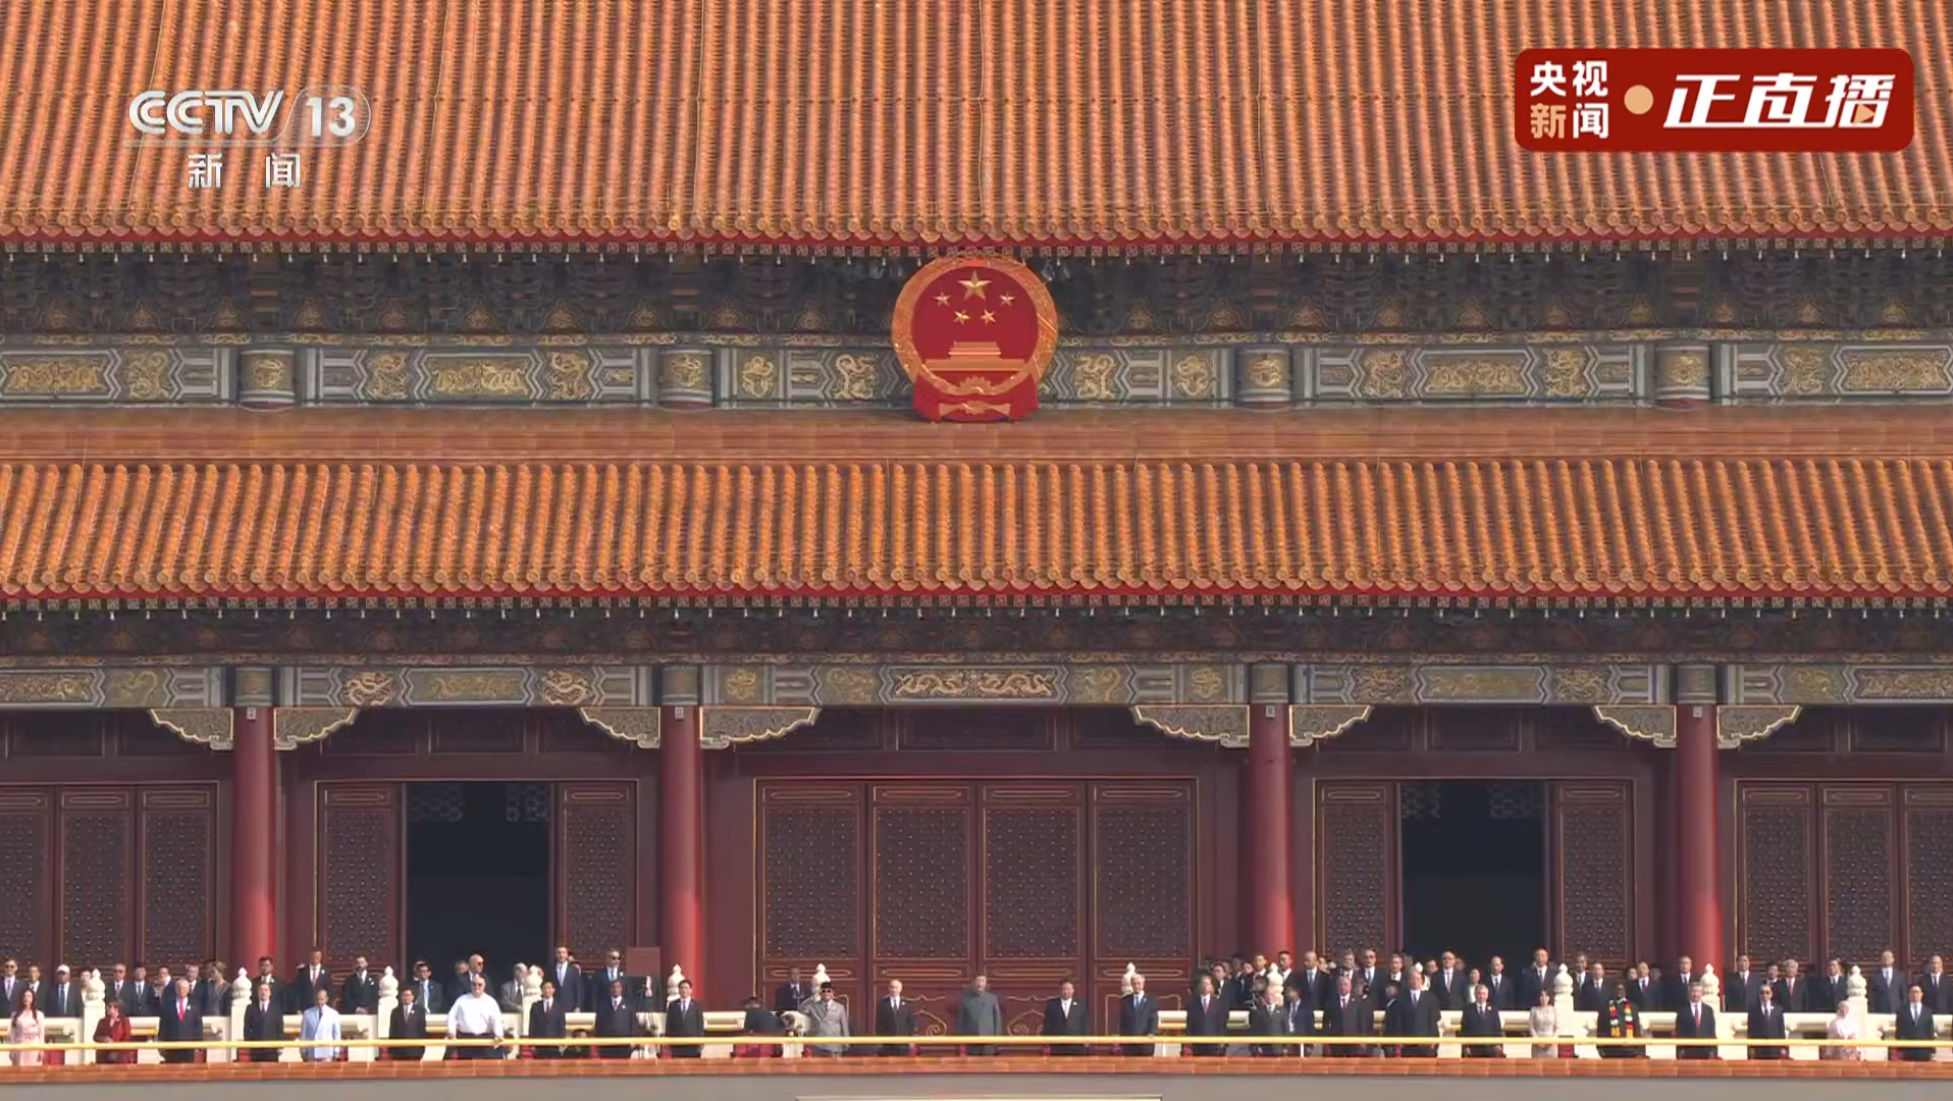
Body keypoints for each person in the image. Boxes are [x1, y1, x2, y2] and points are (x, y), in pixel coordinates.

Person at [445, 973, 503, 1059]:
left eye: (479, 985)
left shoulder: (491, 1002)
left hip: (485, 1041)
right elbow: (451, 1017)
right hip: (465, 1041)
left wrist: (498, 1034)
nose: (476, 987)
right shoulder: (461, 1000)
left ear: (484, 986)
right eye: (474, 984)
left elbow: (496, 1020)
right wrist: (452, 1032)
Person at [1387, 971, 1440, 1057]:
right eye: (1412, 979)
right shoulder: (1400, 999)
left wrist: (1434, 1039)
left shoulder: (1430, 999)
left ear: (1422, 981)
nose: (1415, 981)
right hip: (1407, 1043)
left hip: (1425, 1043)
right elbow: (1398, 1021)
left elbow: (1433, 1021)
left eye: (1418, 979)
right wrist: (1399, 1040)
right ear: (1408, 981)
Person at [156, 978, 202, 1064]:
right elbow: (163, 1025)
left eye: (184, 988)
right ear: (176, 989)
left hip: (188, 1045)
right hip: (172, 1044)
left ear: (188, 990)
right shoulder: (168, 1005)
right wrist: (161, 1042)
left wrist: (199, 1043)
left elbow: (198, 1026)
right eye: (179, 988)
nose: (181, 991)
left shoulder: (194, 1006)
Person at [955, 974, 1002, 1056]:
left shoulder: (992, 999)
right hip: (971, 1042)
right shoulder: (965, 1000)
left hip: (989, 1041)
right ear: (973, 983)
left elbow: (997, 1020)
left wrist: (997, 1039)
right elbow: (961, 1022)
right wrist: (961, 1040)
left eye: (982, 981)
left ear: (986, 983)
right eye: (978, 981)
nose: (980, 984)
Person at [1040, 979, 1088, 1055]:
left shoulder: (1081, 1005)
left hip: (1076, 1045)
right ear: (1060, 990)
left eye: (1068, 989)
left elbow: (1085, 1023)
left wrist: (1087, 1039)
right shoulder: (1052, 1005)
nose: (1066, 992)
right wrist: (1045, 1041)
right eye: (1063, 989)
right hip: (1057, 1045)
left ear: (1073, 990)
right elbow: (1047, 1024)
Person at [592, 978, 637, 1059]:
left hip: (624, 1045)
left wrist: (633, 1039)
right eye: (613, 987)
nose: (615, 989)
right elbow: (598, 1024)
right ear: (610, 989)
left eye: (618, 987)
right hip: (606, 1045)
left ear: (621, 988)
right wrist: (597, 1041)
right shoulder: (603, 1005)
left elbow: (633, 1024)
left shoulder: (629, 1006)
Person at [1184, 974, 1227, 1055]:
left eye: (1207, 984)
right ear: (1199, 986)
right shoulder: (1192, 1003)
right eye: (1203, 984)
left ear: (1211, 987)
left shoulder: (1218, 1004)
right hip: (1197, 1042)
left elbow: (1221, 1023)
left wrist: (1221, 1039)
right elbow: (1190, 1022)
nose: (1205, 986)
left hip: (1214, 1042)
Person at [1596, 981, 1642, 1058]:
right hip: (1611, 1049)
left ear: (1625, 992)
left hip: (1629, 1049)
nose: (1619, 992)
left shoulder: (1632, 1007)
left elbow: (1636, 1028)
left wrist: (1639, 1048)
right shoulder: (1605, 1007)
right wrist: (1600, 1047)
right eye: (1617, 989)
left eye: (1621, 989)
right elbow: (1601, 1029)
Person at [802, 983, 849, 1056]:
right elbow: (801, 1009)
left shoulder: (840, 1007)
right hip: (817, 1045)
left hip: (834, 1045)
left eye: (829, 991)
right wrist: (811, 998)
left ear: (833, 993)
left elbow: (844, 1026)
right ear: (820, 993)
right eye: (823, 991)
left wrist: (846, 1043)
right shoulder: (813, 1006)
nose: (826, 993)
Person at [1673, 981, 1717, 1060]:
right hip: (1688, 1051)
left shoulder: (1708, 1010)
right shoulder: (1682, 1010)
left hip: (1705, 1050)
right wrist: (1680, 1050)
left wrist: (1713, 1051)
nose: (1696, 994)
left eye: (1698, 991)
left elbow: (1711, 1031)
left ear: (1702, 993)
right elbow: (1679, 1032)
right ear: (1689, 993)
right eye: (1693, 991)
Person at [1118, 973, 1159, 1056]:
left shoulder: (1151, 1000)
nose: (1136, 986)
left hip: (1146, 1042)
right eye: (1134, 984)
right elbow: (1122, 1020)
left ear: (1143, 984)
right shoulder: (1125, 1000)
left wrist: (1152, 1033)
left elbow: (1154, 1018)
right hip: (1129, 1043)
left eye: (1139, 984)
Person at [243, 980, 284, 1063]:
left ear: (270, 993)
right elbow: (246, 1028)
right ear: (257, 992)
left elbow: (280, 1029)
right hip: (255, 1050)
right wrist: (248, 1044)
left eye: (266, 990)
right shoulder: (250, 1008)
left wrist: (280, 1046)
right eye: (261, 990)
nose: (263, 992)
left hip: (271, 1050)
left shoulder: (277, 1009)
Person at [528, 979, 569, 1059]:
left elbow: (561, 1025)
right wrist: (531, 1042)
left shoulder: (559, 1006)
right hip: (539, 1043)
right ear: (541, 990)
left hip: (554, 1043)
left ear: (553, 990)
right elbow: (532, 1026)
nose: (547, 990)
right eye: (545, 988)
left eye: (549, 988)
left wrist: (562, 1041)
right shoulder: (535, 1006)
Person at [665, 978, 705, 1058]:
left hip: (692, 1044)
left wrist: (701, 1040)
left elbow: (700, 1024)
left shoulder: (696, 1005)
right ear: (679, 990)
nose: (684, 990)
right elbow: (669, 1024)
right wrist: (668, 1040)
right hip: (677, 1044)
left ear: (690, 990)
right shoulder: (673, 1005)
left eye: (686, 988)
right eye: (682, 988)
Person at [1459, 984, 1503, 1057]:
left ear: (1487, 995)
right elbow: (1464, 1030)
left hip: (1490, 1049)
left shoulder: (1494, 1010)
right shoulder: (1468, 1010)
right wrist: (1465, 1046)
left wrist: (1498, 1044)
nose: (1481, 996)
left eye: (1484, 994)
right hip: (1473, 1049)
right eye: (1479, 993)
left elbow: (1497, 1029)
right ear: (1475, 994)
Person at [299, 987, 341, 1062]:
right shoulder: (307, 1014)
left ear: (326, 999)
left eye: (322, 999)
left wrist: (336, 1050)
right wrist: (303, 1050)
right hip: (312, 1051)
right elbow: (304, 1034)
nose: (319, 1002)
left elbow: (336, 1034)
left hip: (327, 1051)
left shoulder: (333, 1014)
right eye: (318, 999)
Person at [1894, 983, 1935, 1062]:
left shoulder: (1928, 1012)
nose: (1915, 994)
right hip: (1907, 1050)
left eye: (1917, 992)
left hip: (1924, 1050)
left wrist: (1932, 1050)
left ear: (1921, 994)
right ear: (1909, 994)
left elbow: (1930, 1031)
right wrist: (1900, 1049)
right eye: (1912, 992)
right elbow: (1899, 1032)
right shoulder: (1901, 1011)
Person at [387, 983, 428, 1061]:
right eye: (404, 995)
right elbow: (392, 1031)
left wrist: (422, 1047)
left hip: (415, 1049)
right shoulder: (395, 1011)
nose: (406, 998)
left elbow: (422, 1030)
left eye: (408, 995)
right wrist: (391, 1048)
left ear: (413, 997)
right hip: (399, 1050)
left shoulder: (420, 1010)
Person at [875, 978, 915, 1056]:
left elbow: (911, 1023)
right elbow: (879, 1024)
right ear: (889, 988)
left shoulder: (907, 1004)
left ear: (900, 989)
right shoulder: (883, 1004)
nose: (894, 990)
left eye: (896, 987)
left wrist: (911, 1039)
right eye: (892, 987)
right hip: (888, 1043)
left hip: (903, 1043)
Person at [1746, 983, 1787, 1060]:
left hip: (1774, 1048)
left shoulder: (1778, 1009)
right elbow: (1750, 1031)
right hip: (1759, 1049)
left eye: (1767, 992)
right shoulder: (1753, 1010)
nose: (1764, 995)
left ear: (1771, 994)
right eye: (1762, 993)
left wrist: (1783, 1047)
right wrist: (1750, 1047)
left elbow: (1781, 1029)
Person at [1246, 985, 1288, 1057]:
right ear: (1264, 997)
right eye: (1268, 995)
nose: (1270, 997)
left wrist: (1286, 1046)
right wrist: (1257, 1046)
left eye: (1272, 995)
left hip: (1278, 1047)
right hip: (1264, 1048)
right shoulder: (1259, 1012)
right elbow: (1256, 1030)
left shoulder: (1282, 1011)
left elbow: (1286, 1029)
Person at [9, 988, 44, 1066]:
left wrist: (41, 1050)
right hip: (19, 1047)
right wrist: (11, 1049)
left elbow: (41, 1034)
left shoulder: (39, 1015)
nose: (26, 999)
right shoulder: (15, 1015)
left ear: (33, 999)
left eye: (29, 996)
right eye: (24, 996)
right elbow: (12, 1034)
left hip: (34, 1047)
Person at [94, 1001, 134, 1065]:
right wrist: (104, 1039)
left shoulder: (124, 1021)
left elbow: (127, 1037)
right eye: (107, 1006)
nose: (107, 1008)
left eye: (110, 1006)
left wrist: (114, 1042)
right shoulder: (102, 1021)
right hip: (105, 1054)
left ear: (116, 1009)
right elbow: (96, 1037)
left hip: (120, 1054)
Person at [291, 949, 331, 1014]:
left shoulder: (326, 971)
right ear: (310, 957)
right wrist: (297, 1007)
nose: (315, 960)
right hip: (305, 1006)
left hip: (321, 1005)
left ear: (321, 957)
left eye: (317, 957)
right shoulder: (303, 972)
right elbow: (298, 991)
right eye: (313, 957)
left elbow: (329, 990)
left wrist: (329, 1005)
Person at [547, 947, 585, 1012]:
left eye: (563, 953)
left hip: (570, 1006)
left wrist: (578, 1006)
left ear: (567, 955)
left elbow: (578, 989)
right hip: (554, 1005)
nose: (561, 955)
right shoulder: (550, 970)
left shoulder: (574, 970)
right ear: (555, 955)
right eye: (559, 953)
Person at [1869, 950, 1906, 1015]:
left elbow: (1903, 994)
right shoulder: (1874, 976)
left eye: (1889, 957)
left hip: (1897, 1009)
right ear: (1881, 960)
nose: (1886, 959)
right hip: (1880, 1010)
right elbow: (1871, 995)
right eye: (1884, 957)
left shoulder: (1900, 975)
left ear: (1893, 959)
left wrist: (1904, 1009)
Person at [1527, 990, 1559, 1059]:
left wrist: (1551, 1042)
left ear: (1549, 997)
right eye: (1542, 996)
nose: (1544, 998)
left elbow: (1557, 1028)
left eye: (1546, 996)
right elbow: (1531, 1027)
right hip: (1537, 1044)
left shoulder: (1554, 1010)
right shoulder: (1534, 1010)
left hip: (1551, 1044)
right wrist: (1538, 1041)